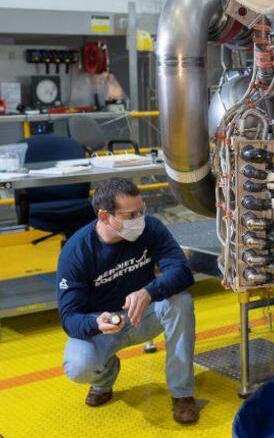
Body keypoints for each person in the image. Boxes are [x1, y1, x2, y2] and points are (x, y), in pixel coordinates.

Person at [57, 178, 198, 424]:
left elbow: (182, 271)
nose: (138, 220)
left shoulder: (150, 229)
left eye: (140, 211)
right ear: (104, 216)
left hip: (144, 314)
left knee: (181, 301)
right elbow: (69, 318)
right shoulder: (76, 252)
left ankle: (182, 393)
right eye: (129, 215)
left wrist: (148, 292)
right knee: (78, 367)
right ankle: (104, 378)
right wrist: (96, 323)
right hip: (104, 325)